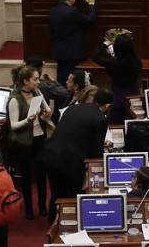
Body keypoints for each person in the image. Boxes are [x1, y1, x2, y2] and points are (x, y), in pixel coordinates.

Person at [43, 88, 112, 222]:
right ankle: (71, 225)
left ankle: (53, 224)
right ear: (107, 106)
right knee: (74, 196)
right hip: (71, 162)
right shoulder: (100, 118)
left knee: (56, 195)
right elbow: (96, 153)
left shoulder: (73, 108)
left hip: (51, 155)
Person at [7, 65, 54, 219]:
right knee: (26, 176)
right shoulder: (15, 99)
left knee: (41, 174)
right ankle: (28, 208)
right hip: (24, 142)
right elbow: (13, 125)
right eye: (35, 79)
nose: (38, 82)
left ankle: (42, 206)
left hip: (39, 137)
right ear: (25, 81)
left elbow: (47, 111)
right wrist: (27, 120)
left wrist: (47, 112)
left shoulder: (37, 93)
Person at [49, 0, 96, 84]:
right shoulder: (72, 11)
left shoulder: (53, 10)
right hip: (72, 52)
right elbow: (89, 20)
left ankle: (60, 94)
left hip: (59, 50)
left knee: (61, 78)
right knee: (70, 80)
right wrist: (91, 4)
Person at [92, 34, 142, 124]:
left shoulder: (113, 63)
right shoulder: (137, 61)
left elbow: (95, 57)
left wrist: (105, 44)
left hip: (118, 96)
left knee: (117, 123)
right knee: (135, 119)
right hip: (134, 94)